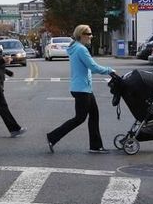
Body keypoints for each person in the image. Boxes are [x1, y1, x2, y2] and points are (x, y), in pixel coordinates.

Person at [46, 24, 115, 154]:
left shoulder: (76, 48)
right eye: (88, 34)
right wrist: (110, 70)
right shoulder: (81, 49)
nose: (91, 36)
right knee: (80, 118)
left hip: (83, 87)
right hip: (82, 88)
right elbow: (94, 67)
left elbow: (88, 68)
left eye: (91, 34)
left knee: (93, 115)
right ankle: (52, 136)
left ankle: (95, 146)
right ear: (81, 35)